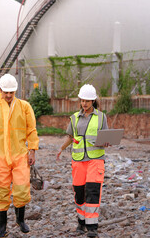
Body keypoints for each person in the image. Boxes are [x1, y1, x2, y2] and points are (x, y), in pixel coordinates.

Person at [0, 74, 39, 238]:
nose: (9, 95)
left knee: (21, 189)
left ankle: (20, 220)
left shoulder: (24, 107)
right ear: (0, 90)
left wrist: (32, 150)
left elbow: (31, 130)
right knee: (1, 191)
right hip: (0, 157)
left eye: (11, 92)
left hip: (20, 156)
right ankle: (2, 229)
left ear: (15, 90)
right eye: (6, 92)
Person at [56, 84, 109, 238]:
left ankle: (92, 228)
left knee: (93, 191)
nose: (84, 104)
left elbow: (105, 136)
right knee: (79, 193)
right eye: (82, 101)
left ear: (93, 101)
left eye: (88, 101)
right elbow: (70, 137)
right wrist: (60, 148)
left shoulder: (101, 117)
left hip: (96, 160)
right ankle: (81, 222)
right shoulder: (74, 118)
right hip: (78, 160)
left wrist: (106, 141)